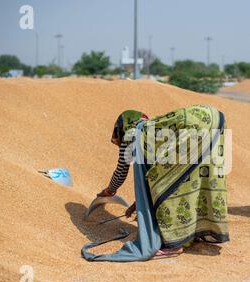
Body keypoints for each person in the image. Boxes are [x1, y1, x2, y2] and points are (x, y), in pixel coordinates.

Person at [89, 105, 229, 261]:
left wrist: (109, 191)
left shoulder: (133, 132)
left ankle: (174, 245)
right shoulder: (157, 129)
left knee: (165, 183)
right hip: (215, 119)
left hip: (194, 124)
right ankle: (195, 231)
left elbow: (121, 171)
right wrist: (140, 203)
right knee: (194, 179)